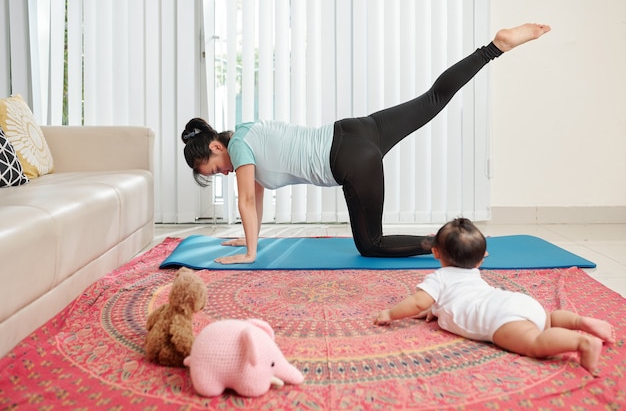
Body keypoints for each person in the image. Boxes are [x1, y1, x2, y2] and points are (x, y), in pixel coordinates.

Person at [181, 23, 551, 265]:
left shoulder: (241, 149)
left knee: (371, 244)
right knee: (433, 99)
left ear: (216, 148)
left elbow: (245, 200)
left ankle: (446, 244)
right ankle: (492, 49)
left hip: (348, 160)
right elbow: (256, 201)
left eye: (215, 168)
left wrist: (248, 255)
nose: (223, 173)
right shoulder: (248, 134)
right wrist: (250, 241)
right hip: (358, 130)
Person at [374, 218, 615, 376]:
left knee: (534, 343)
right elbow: (450, 300)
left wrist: (390, 313)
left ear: (435, 252)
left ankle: (581, 342)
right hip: (516, 302)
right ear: (482, 258)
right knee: (548, 319)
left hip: (501, 320)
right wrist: (434, 309)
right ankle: (580, 322)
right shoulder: (473, 275)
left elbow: (417, 301)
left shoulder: (440, 278)